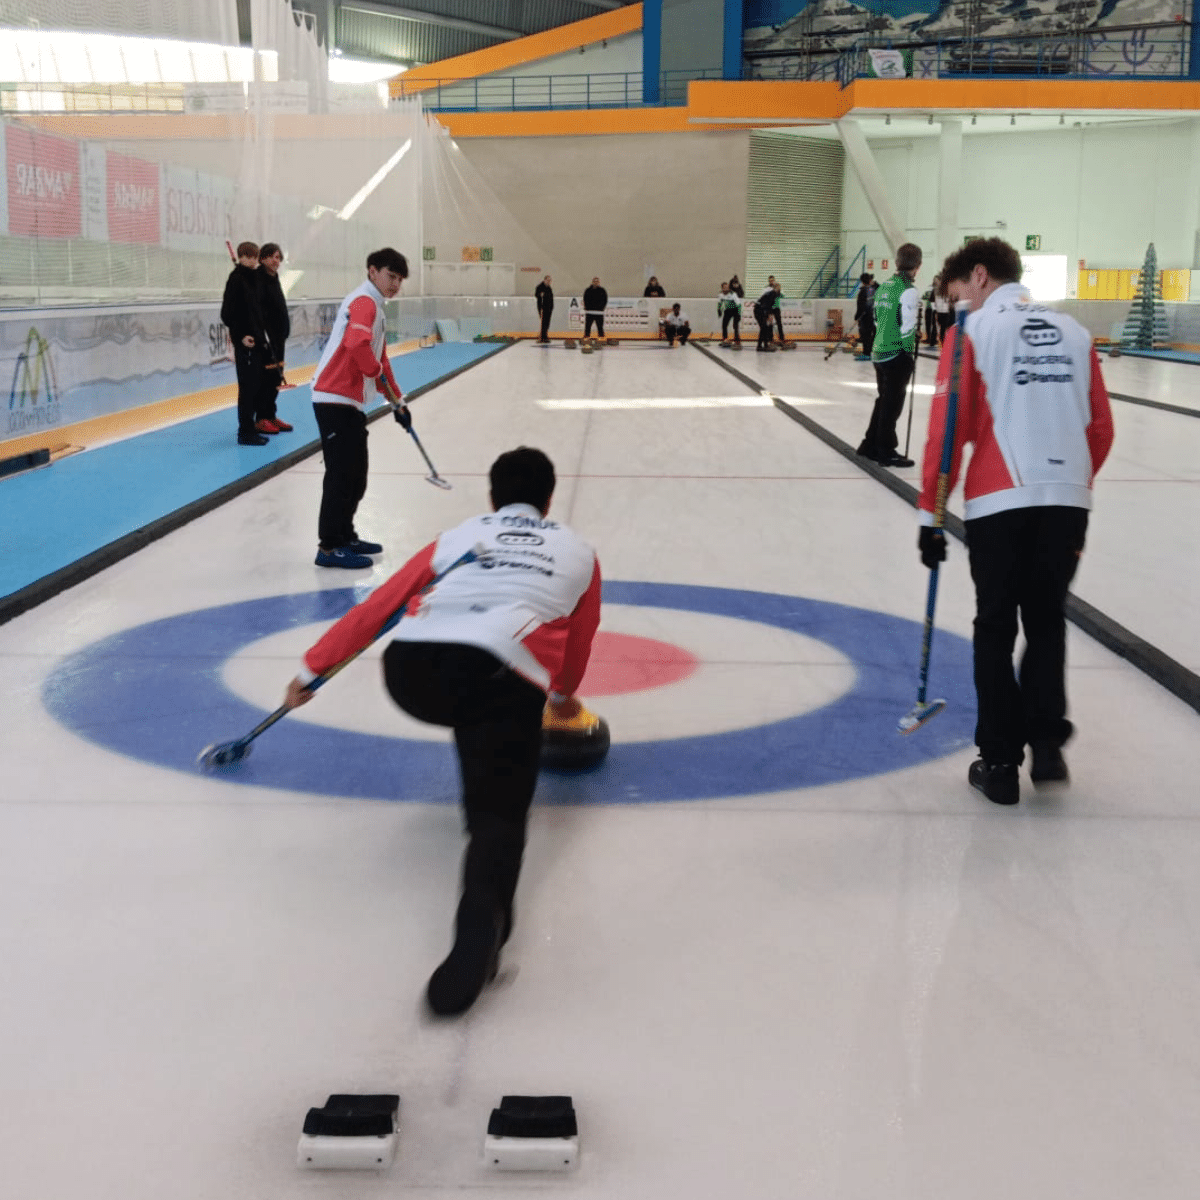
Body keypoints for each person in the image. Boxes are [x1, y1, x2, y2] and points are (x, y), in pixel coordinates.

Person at [283, 447, 602, 1016]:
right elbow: (579, 639)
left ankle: (482, 772)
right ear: (549, 501)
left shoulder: (457, 536)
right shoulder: (579, 552)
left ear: (492, 498)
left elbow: (382, 606)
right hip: (499, 675)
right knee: (499, 818)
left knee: (476, 709)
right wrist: (560, 694)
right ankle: (481, 938)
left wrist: (314, 668)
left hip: (413, 671)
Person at [915, 237, 1114, 807]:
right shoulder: (1076, 333)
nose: (959, 308)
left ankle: (1000, 762)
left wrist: (933, 513)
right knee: (1047, 619)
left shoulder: (972, 333)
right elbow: (1100, 428)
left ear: (979, 276)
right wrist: (1069, 482)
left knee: (996, 625)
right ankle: (1047, 746)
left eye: (958, 296)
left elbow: (948, 429)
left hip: (999, 501)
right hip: (1068, 499)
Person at [310, 247, 410, 570]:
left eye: (399, 279)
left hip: (349, 402)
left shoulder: (376, 308)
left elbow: (381, 363)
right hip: (334, 397)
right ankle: (329, 546)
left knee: (357, 475)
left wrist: (398, 402)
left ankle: (345, 534)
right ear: (372, 271)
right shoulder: (364, 302)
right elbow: (357, 347)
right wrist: (375, 374)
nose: (395, 284)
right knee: (341, 474)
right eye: (390, 276)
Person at [856, 242, 922, 467]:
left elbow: (877, 318)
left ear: (896, 263)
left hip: (879, 350)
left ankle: (869, 444)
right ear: (918, 266)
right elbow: (908, 326)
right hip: (897, 354)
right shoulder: (908, 290)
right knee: (892, 405)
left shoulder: (884, 286)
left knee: (883, 400)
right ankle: (886, 450)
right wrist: (908, 350)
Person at [220, 240, 270, 446]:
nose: (251, 260)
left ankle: (252, 427)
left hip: (258, 341)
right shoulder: (236, 279)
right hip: (246, 343)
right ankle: (245, 432)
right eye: (247, 256)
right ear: (240, 257)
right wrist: (240, 335)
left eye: (253, 257)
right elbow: (227, 314)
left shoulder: (254, 279)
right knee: (247, 389)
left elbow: (256, 312)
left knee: (256, 387)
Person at [256, 242, 293, 432]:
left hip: (279, 338)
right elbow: (259, 311)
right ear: (262, 258)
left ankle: (271, 414)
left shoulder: (274, 278)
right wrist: (264, 335)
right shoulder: (259, 280)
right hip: (267, 339)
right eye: (272, 257)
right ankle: (261, 417)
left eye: (278, 258)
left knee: (276, 379)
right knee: (267, 378)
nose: (276, 261)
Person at [854, 272, 876, 360]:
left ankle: (867, 353)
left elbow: (860, 306)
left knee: (865, 335)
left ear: (862, 281)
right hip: (874, 316)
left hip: (865, 317)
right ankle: (871, 352)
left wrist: (857, 317)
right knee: (872, 335)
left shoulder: (863, 291)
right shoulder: (874, 289)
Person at [753, 282, 780, 351]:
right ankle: (764, 346)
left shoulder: (771, 293)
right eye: (778, 287)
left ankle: (762, 345)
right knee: (764, 328)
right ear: (775, 287)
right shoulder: (773, 293)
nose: (779, 288)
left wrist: (768, 314)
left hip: (759, 310)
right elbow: (768, 305)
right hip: (760, 310)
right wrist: (769, 315)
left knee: (764, 328)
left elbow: (768, 305)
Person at [922, 275, 940, 349]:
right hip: (928, 308)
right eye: (935, 279)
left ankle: (934, 339)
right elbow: (924, 296)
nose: (935, 281)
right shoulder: (930, 287)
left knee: (934, 324)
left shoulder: (940, 288)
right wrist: (927, 296)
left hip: (936, 309)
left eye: (937, 279)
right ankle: (928, 338)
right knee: (927, 323)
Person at [534, 274, 554, 344]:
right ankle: (542, 337)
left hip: (549, 308)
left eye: (550, 280)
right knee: (543, 322)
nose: (549, 282)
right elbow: (536, 295)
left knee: (547, 323)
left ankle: (545, 336)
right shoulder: (540, 287)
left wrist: (552, 306)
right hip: (543, 307)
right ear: (545, 280)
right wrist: (540, 294)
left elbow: (551, 298)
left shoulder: (549, 288)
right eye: (548, 280)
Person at [767, 275, 786, 345]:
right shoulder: (767, 288)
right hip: (770, 308)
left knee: (779, 323)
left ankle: (782, 338)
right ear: (769, 281)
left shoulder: (777, 288)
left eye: (772, 280)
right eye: (770, 280)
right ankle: (770, 338)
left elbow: (783, 296)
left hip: (777, 308)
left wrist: (778, 289)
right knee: (770, 324)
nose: (771, 281)